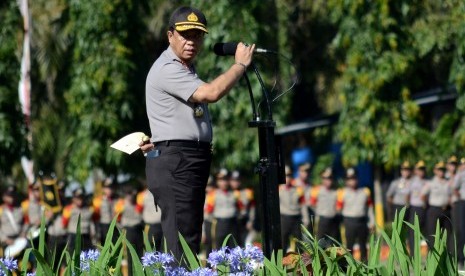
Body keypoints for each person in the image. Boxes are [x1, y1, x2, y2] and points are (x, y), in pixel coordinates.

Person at [140, 6, 255, 262]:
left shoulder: (185, 69)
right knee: (182, 245)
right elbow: (211, 93)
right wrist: (240, 65)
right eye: (185, 34)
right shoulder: (167, 68)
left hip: (185, 159)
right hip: (178, 160)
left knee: (188, 237)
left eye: (197, 35)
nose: (191, 41)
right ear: (170, 35)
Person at [337, 168, 375, 262]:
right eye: (349, 179)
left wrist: (372, 221)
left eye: (353, 178)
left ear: (357, 178)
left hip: (362, 221)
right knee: (349, 246)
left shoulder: (365, 191)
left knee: (363, 246)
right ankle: (349, 268)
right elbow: (338, 209)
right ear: (346, 180)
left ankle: (365, 267)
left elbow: (370, 207)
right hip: (349, 222)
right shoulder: (342, 193)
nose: (352, 181)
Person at [204, 169, 241, 249]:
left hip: (232, 223)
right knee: (219, 247)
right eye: (221, 180)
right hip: (219, 224)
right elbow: (207, 212)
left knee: (233, 247)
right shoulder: (212, 194)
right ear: (217, 181)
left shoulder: (234, 193)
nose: (223, 182)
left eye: (225, 180)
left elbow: (240, 208)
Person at [421, 161, 452, 250]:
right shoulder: (431, 183)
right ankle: (432, 256)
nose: (441, 172)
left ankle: (447, 256)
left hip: (446, 210)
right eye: (439, 170)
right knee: (432, 234)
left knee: (447, 234)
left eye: (443, 170)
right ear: (435, 171)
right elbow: (422, 195)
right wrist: (426, 205)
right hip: (434, 210)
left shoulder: (448, 182)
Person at [309, 167, 340, 243]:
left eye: (330, 178)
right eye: (325, 178)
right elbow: (312, 204)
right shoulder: (316, 190)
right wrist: (319, 212)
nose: (328, 180)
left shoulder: (337, 191)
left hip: (333, 220)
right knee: (319, 243)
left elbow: (339, 205)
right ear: (322, 179)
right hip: (321, 220)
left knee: (334, 244)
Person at [279, 166, 306, 252]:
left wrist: (306, 218)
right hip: (284, 218)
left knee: (299, 244)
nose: (287, 178)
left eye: (289, 175)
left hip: (296, 218)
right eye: (285, 175)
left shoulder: (298, 190)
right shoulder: (278, 189)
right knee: (282, 243)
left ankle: (300, 264)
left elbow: (303, 204)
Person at [407, 160, 428, 255]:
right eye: (419, 169)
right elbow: (407, 195)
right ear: (416, 170)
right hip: (415, 208)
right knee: (413, 233)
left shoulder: (427, 181)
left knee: (427, 232)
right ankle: (413, 255)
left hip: (426, 209)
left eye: (423, 169)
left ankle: (430, 255)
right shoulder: (412, 181)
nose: (421, 171)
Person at [454, 158, 465, 267]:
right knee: (461, 229)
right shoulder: (460, 175)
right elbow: (455, 188)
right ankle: (461, 258)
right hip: (463, 202)